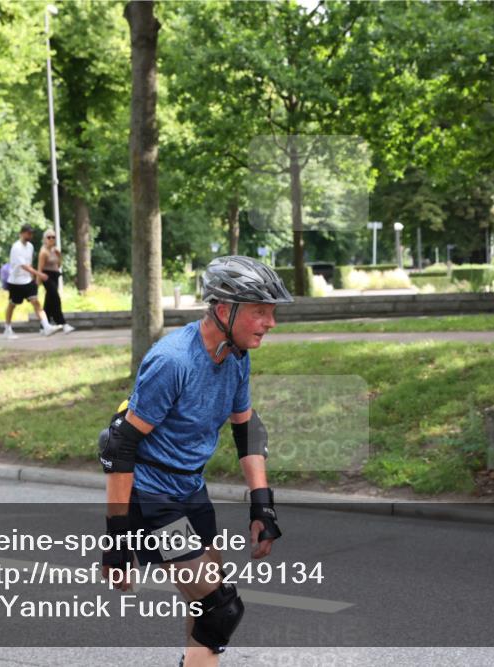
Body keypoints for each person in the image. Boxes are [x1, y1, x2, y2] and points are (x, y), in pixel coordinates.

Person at [98, 256, 293, 667]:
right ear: (224, 309)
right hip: (151, 499)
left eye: (272, 312)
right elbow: (121, 447)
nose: (270, 322)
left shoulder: (236, 355)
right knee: (220, 608)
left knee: (206, 604)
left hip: (189, 488)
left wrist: (263, 503)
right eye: (261, 311)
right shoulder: (173, 361)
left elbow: (247, 429)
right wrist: (117, 539)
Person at [4, 224, 58, 340]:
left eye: (31, 233)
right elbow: (24, 266)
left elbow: (30, 264)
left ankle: (46, 326)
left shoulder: (30, 247)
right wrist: (39, 274)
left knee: (36, 302)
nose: (30, 235)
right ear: (22, 233)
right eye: (28, 233)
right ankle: (7, 329)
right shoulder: (16, 247)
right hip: (16, 282)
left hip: (27, 280)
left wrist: (33, 279)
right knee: (12, 304)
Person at [37, 230, 75, 334]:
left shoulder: (55, 250)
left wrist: (59, 255)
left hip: (55, 276)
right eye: (49, 237)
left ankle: (43, 326)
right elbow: (40, 268)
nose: (51, 239)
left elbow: (58, 265)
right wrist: (38, 281)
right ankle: (63, 323)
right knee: (56, 298)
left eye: (53, 237)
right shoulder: (43, 252)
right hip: (46, 276)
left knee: (49, 301)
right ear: (45, 239)